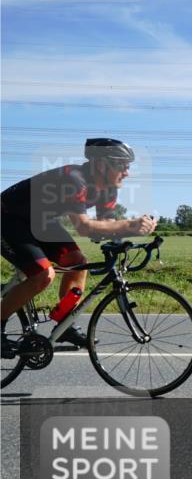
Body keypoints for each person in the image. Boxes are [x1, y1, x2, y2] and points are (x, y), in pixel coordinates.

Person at [1, 138, 157, 353]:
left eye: (128, 166)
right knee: (42, 275)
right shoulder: (74, 179)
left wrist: (133, 231)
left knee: (77, 262)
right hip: (8, 218)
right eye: (122, 165)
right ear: (101, 164)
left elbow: (106, 226)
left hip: (41, 221)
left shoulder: (109, 189)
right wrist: (129, 224)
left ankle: (65, 323)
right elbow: (84, 227)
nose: (127, 172)